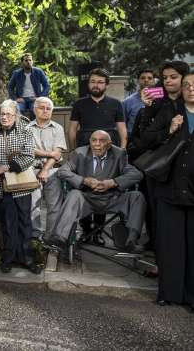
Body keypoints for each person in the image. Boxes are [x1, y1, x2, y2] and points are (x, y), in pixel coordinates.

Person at [144, 70, 194, 311]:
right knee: (169, 244)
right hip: (170, 187)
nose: (191, 89)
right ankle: (169, 292)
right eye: (187, 85)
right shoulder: (170, 111)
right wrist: (169, 131)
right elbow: (147, 139)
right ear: (181, 90)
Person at [48, 130, 145, 252]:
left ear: (109, 144)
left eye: (102, 141)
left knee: (137, 196)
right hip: (87, 199)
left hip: (112, 198)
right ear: (90, 142)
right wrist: (84, 180)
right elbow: (62, 171)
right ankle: (60, 238)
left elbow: (137, 174)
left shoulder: (119, 154)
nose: (97, 144)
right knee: (74, 194)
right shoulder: (80, 153)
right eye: (93, 140)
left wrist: (113, 182)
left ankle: (131, 240)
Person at [69, 68, 127, 245]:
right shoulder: (79, 104)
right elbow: (72, 130)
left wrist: (121, 153)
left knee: (103, 189)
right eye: (93, 81)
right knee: (85, 189)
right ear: (89, 83)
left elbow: (122, 130)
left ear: (106, 85)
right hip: (85, 149)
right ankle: (86, 230)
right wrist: (74, 153)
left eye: (100, 82)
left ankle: (98, 232)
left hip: (109, 152)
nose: (96, 85)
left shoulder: (116, 104)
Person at [135, 61, 189, 252]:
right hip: (158, 165)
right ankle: (157, 249)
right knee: (156, 211)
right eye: (165, 77)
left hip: (185, 167)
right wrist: (148, 108)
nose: (168, 81)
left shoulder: (188, 102)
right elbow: (144, 138)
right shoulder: (157, 96)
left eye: (173, 77)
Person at [0, 99, 39, 274]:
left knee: (24, 221)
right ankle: (8, 258)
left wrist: (6, 168)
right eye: (2, 114)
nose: (4, 117)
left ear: (16, 115)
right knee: (7, 222)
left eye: (8, 114)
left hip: (21, 180)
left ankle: (27, 258)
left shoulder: (25, 127)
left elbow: (29, 155)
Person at [26, 97, 66, 240]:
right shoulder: (27, 128)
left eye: (48, 108)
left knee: (54, 205)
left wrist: (45, 170)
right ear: (34, 109)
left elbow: (58, 152)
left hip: (53, 170)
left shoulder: (58, 128)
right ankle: (35, 236)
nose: (45, 111)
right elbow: (29, 150)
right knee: (32, 206)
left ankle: (50, 237)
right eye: (41, 108)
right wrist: (50, 153)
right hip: (31, 170)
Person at [7, 53, 50, 119]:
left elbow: (46, 86)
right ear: (22, 62)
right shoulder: (16, 73)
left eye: (30, 60)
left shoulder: (38, 72)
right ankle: (21, 128)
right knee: (17, 109)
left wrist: (40, 98)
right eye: (26, 60)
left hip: (34, 99)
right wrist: (15, 98)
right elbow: (10, 87)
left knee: (35, 110)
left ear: (32, 61)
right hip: (22, 99)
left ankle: (34, 128)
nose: (28, 62)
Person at [123, 69, 155, 137]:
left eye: (149, 78)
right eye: (142, 78)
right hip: (133, 141)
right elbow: (122, 125)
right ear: (138, 81)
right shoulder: (127, 102)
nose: (146, 80)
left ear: (154, 81)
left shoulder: (160, 100)